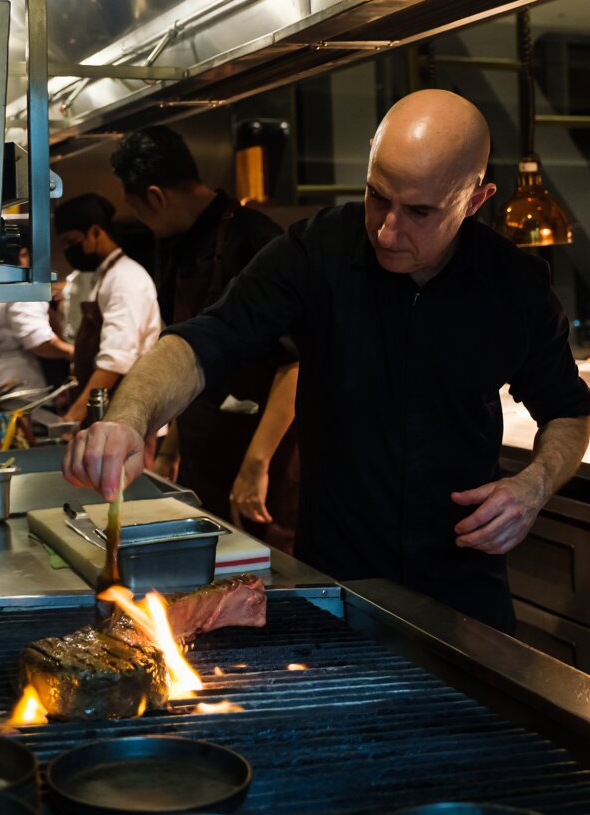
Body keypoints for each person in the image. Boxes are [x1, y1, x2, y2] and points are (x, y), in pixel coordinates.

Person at [63, 90, 590, 633]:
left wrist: (535, 486)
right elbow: (202, 343)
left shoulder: (514, 285)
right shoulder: (316, 253)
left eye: (419, 212)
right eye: (377, 196)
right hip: (339, 586)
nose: (387, 228)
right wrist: (129, 418)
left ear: (476, 200)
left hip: (465, 592)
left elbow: (569, 411)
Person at [108, 126, 299, 547]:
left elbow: (295, 362)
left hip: (258, 460)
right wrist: (174, 445)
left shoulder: (256, 241)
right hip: (204, 455)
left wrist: (257, 464)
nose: (141, 221)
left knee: (267, 581)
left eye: (138, 209)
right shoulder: (176, 247)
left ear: (156, 197)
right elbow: (189, 353)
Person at [53, 192, 162, 427]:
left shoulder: (125, 279)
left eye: (71, 242)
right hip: (114, 415)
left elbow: (116, 360)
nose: (70, 252)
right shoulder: (105, 276)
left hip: (131, 417)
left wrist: (73, 417)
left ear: (95, 232)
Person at [0, 235, 74, 394]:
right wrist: (73, 352)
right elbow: (38, 340)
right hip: (20, 378)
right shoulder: (22, 286)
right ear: (23, 255)